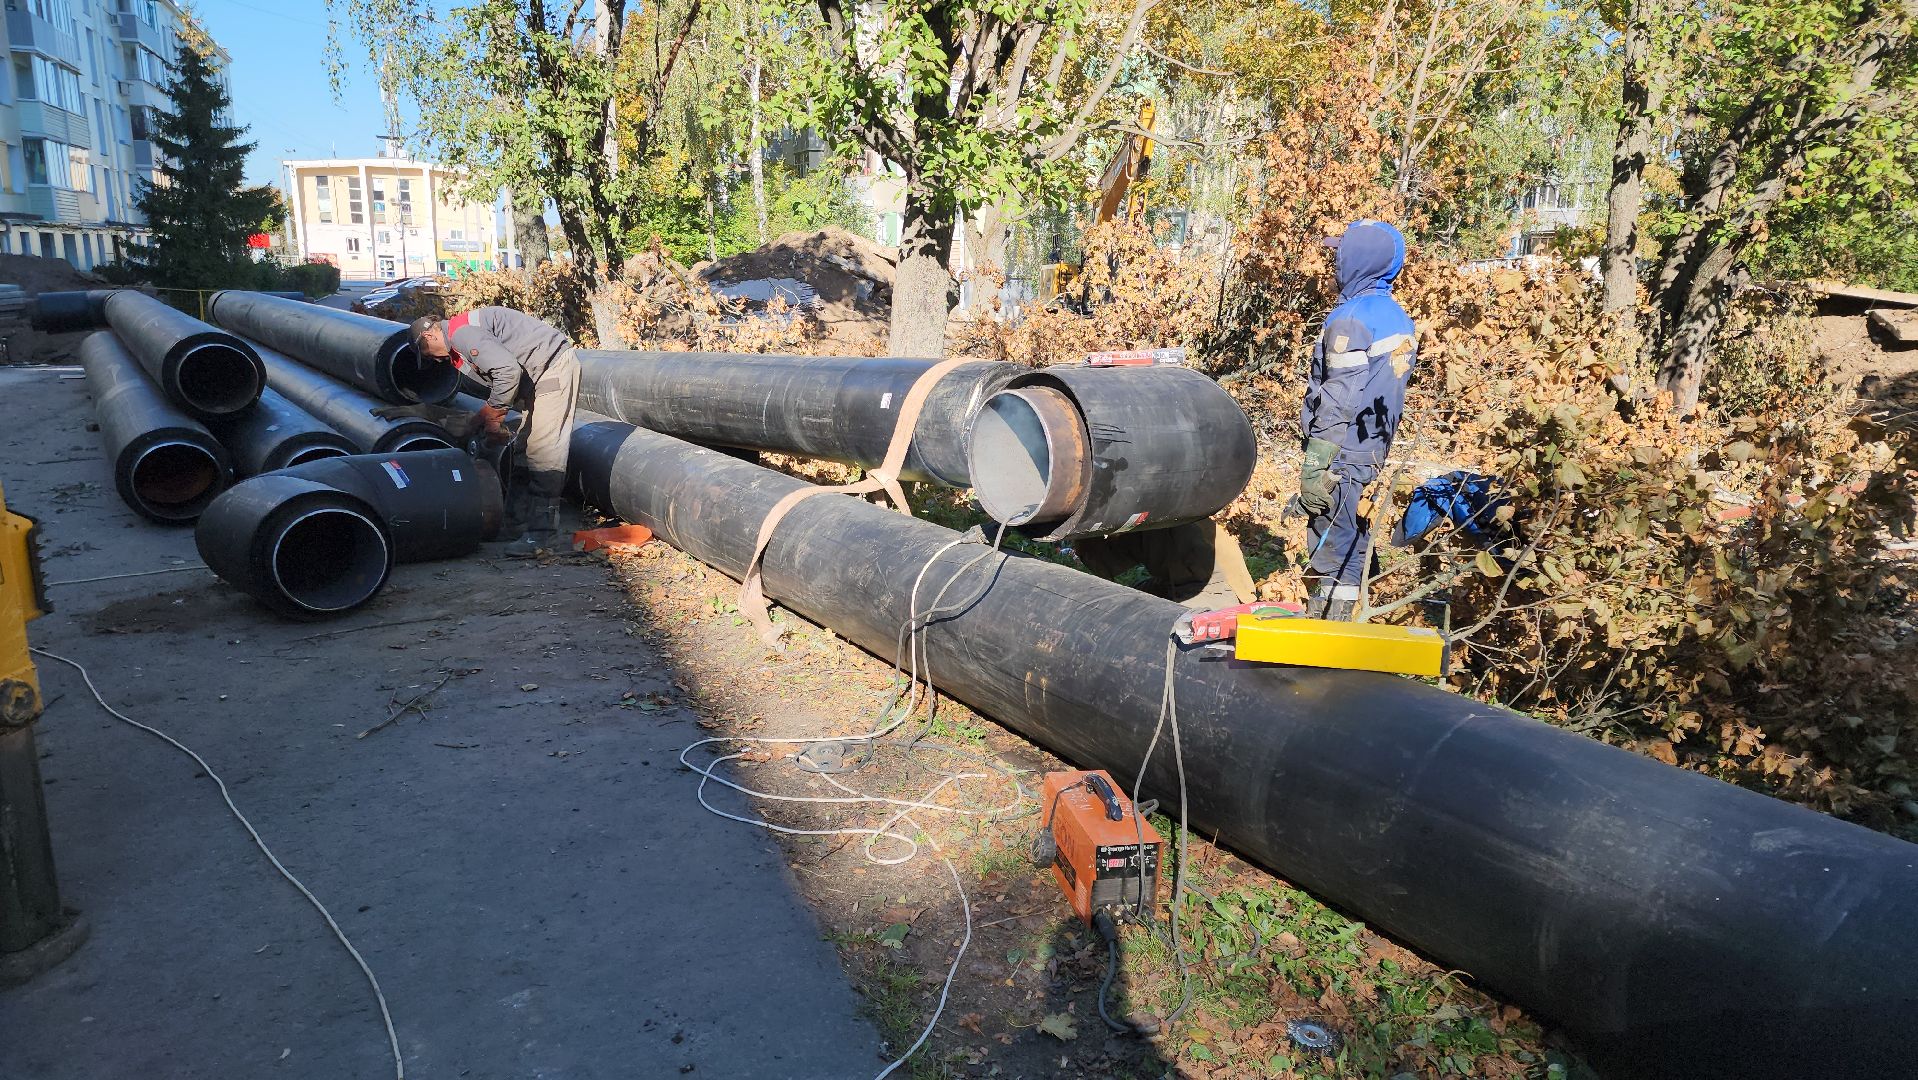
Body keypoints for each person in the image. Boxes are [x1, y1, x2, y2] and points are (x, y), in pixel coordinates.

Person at [1297, 220, 1417, 621]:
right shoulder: (1396, 315)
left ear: (1358, 260)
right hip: (1372, 447)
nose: (1334, 264)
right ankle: (1346, 615)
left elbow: (1337, 400)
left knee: (1330, 531)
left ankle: (1328, 626)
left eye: (1340, 255)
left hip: (1341, 450)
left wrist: (1315, 467)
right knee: (1352, 529)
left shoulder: (1351, 318)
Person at [408, 308, 580, 556]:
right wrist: (485, 418)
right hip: (538, 373)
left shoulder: (461, 335)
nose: (433, 360)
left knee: (544, 450)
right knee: (522, 449)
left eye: (425, 354)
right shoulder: (459, 340)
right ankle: (515, 525)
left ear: (429, 337)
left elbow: (507, 371)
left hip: (551, 368)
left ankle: (543, 536)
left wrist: (493, 415)